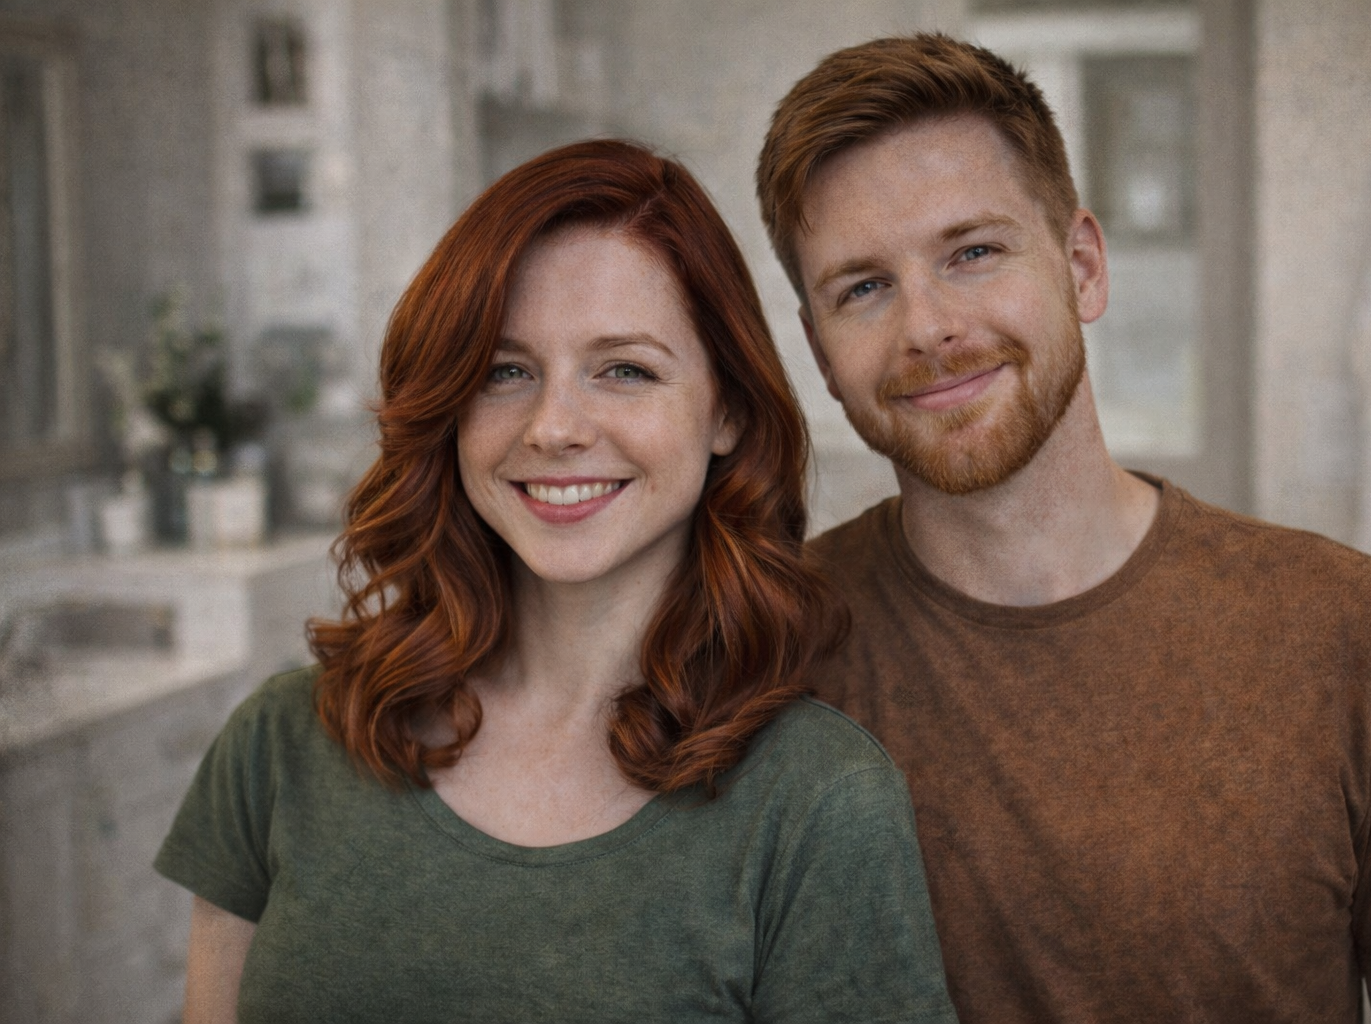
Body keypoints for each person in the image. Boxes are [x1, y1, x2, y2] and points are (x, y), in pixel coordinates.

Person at [755, 32, 1371, 1024]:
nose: (926, 326)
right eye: (863, 287)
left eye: (974, 252)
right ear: (821, 352)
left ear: (1082, 266)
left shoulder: (1366, 639)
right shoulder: (769, 648)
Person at [155, 139, 958, 1024]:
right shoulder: (282, 745)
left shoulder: (818, 803)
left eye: (625, 370)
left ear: (727, 408)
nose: (553, 427)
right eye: (506, 371)